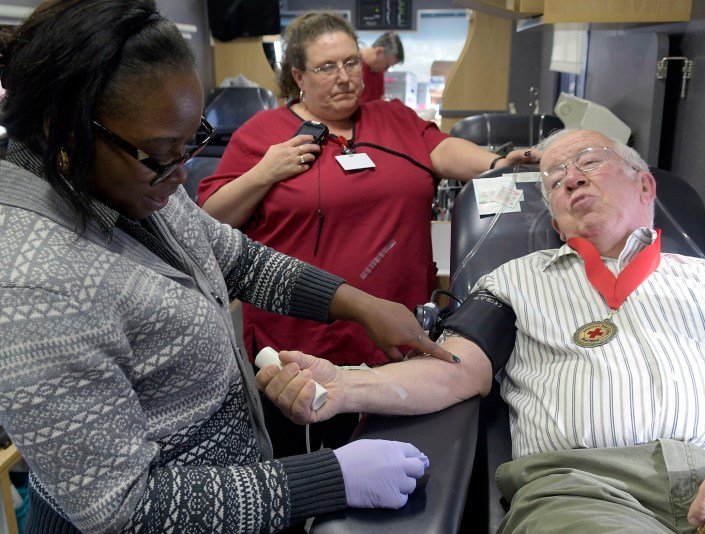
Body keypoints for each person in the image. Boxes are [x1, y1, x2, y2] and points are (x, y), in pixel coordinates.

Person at [0, 1, 467, 532]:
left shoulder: (131, 178)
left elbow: (236, 258)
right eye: (162, 153)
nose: (181, 176)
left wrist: (358, 305)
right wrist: (327, 478)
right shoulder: (32, 284)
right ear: (63, 130)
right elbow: (123, 509)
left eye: (190, 142)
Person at [258, 128, 705, 534]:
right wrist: (345, 384)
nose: (572, 179)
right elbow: (454, 368)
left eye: (590, 162)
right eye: (555, 181)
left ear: (645, 186)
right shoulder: (515, 281)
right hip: (584, 491)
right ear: (556, 221)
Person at [197, 11, 536, 456]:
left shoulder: (394, 117)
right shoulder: (262, 135)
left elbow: (441, 149)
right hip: (300, 341)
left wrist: (494, 163)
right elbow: (210, 220)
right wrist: (265, 172)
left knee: (389, 460)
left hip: (394, 331)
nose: (344, 78)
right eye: (326, 67)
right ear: (297, 75)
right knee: (300, 461)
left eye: (351, 63)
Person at [359, 31, 403, 103]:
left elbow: (380, 98)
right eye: (387, 65)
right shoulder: (352, 64)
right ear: (379, 52)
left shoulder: (378, 72)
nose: (386, 70)